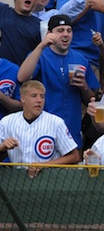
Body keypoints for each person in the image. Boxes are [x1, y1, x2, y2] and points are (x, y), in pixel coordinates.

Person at [17, 14, 99, 148]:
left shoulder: (80, 59)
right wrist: (41, 45)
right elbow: (22, 77)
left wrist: (84, 87)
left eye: (69, 30)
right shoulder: (40, 55)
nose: (65, 34)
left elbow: (92, 99)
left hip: (71, 130)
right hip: (43, 130)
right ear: (49, 33)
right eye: (60, 31)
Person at [0, 80, 79, 179]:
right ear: (22, 99)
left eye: (42, 96)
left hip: (49, 178)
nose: (39, 100)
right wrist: (2, 146)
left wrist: (45, 165)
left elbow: (74, 156)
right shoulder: (6, 122)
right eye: (34, 96)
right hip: (17, 179)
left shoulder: (55, 122)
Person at [0, 0, 47, 65]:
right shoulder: (3, 11)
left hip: (23, 75)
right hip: (2, 73)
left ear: (36, 0)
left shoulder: (41, 26)